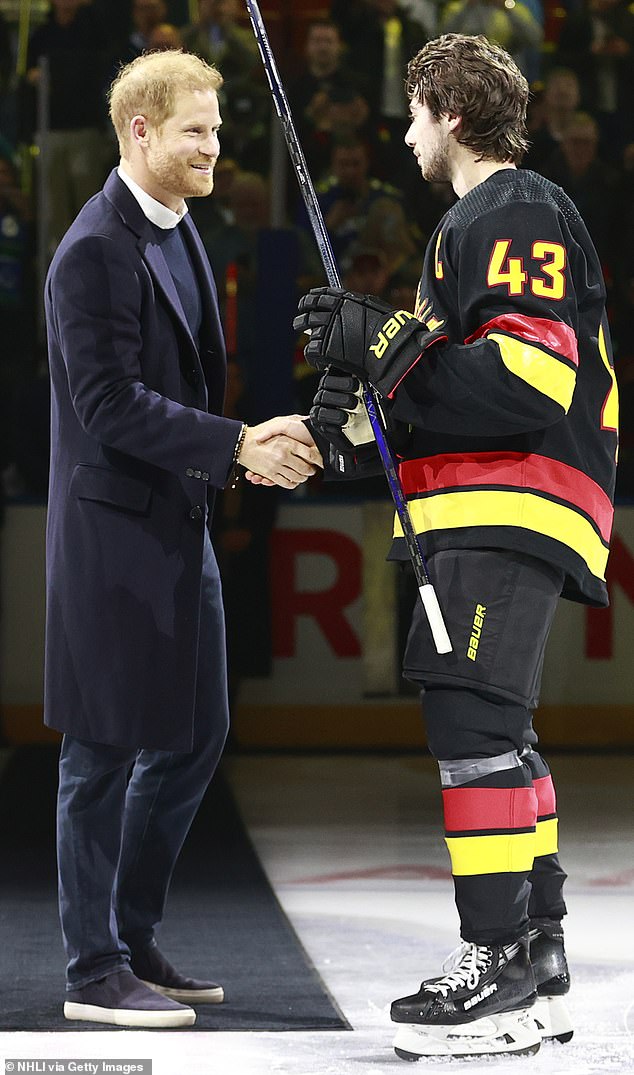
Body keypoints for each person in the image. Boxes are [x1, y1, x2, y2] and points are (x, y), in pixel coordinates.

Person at [294, 32, 617, 1060]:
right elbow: (448, 385)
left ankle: (494, 965)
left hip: (509, 504)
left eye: (412, 111)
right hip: (485, 506)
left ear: (448, 108)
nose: (400, 131)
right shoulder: (472, 224)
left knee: (472, 729)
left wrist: (389, 344)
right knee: (496, 727)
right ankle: (538, 957)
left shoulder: (510, 207)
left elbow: (528, 381)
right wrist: (355, 397)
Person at [44, 47, 321, 1030]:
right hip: (115, 536)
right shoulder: (91, 249)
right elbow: (107, 402)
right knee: (101, 749)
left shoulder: (180, 230)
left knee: (197, 734)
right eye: (196, 130)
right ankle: (91, 968)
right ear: (140, 132)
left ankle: (131, 936)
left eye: (215, 127)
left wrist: (238, 452)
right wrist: (236, 443)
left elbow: (189, 383)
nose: (214, 146)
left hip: (181, 525)